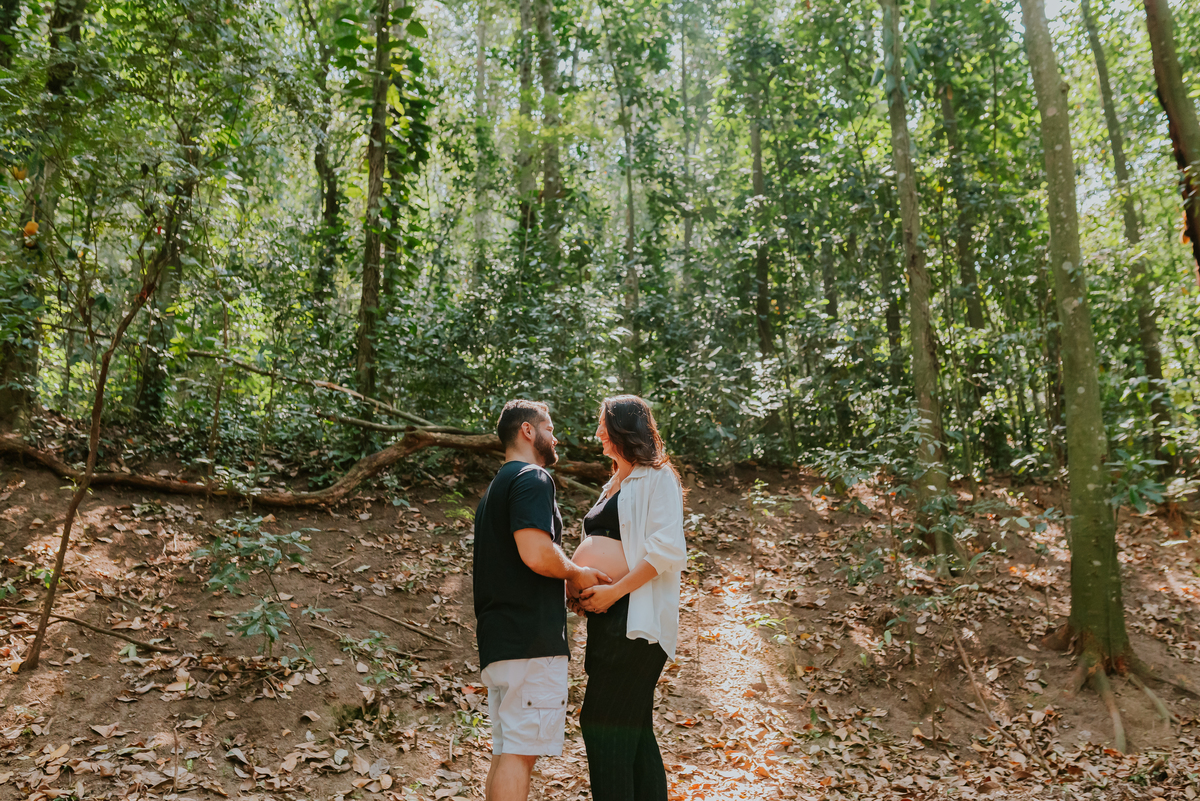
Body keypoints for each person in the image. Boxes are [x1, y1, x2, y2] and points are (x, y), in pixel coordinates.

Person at [473, 399, 611, 801]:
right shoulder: (532, 477)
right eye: (549, 428)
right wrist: (575, 573)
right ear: (528, 431)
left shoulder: (496, 488)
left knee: (507, 752)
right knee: (519, 753)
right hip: (530, 639)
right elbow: (536, 553)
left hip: (503, 641)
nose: (556, 437)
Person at [571, 395, 687, 801]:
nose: (598, 431)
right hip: (608, 618)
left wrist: (613, 591)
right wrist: (581, 588)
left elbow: (667, 549)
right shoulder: (614, 481)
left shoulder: (658, 477)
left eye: (604, 423)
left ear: (624, 428)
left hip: (635, 618)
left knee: (601, 722)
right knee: (633, 730)